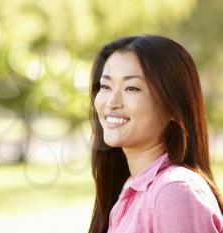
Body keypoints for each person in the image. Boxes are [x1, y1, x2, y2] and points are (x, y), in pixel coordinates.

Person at [88, 35, 223, 233]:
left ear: (174, 108)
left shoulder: (174, 190)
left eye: (131, 88)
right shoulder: (131, 191)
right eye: (105, 86)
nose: (111, 102)